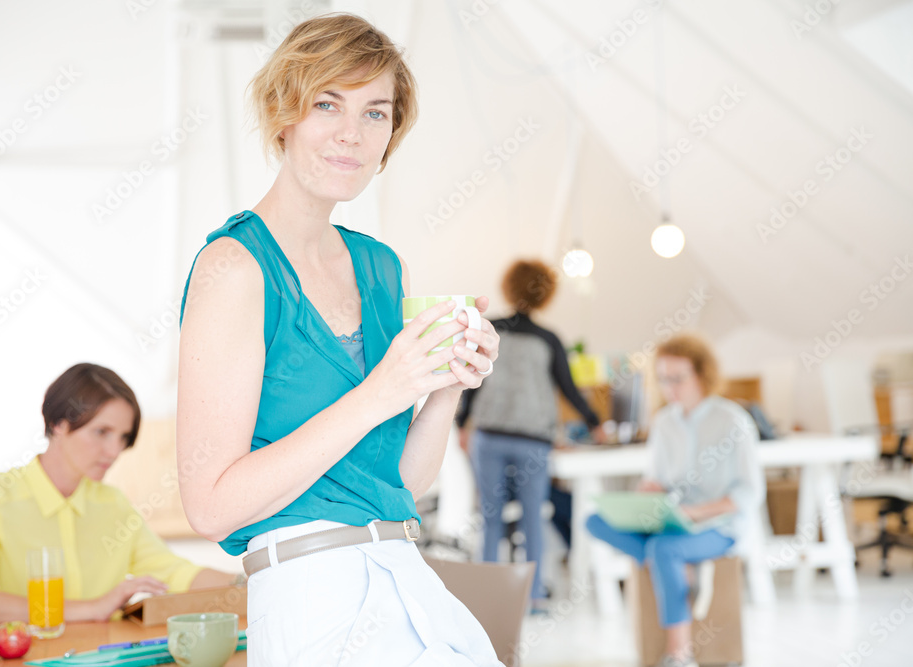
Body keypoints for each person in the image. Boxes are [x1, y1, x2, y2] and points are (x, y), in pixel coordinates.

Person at [175, 13, 503, 666]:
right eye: (328, 104)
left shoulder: (382, 267)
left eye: (376, 113)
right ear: (283, 114)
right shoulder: (234, 269)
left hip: (409, 575)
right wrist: (385, 390)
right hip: (311, 597)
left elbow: (402, 480)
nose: (352, 134)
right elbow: (209, 507)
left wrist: (446, 387)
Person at [0, 363, 237, 623]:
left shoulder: (113, 505)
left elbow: (176, 573)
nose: (115, 451)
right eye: (102, 432)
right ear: (58, 424)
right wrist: (93, 608)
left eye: (123, 437)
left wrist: (253, 582)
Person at [585, 334, 765, 667]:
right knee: (594, 521)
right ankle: (682, 573)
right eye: (664, 379)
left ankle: (679, 655)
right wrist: (650, 493)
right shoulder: (665, 422)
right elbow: (660, 480)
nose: (670, 387)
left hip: (720, 526)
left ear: (701, 375)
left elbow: (749, 494)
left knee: (663, 549)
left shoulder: (733, 421)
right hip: (673, 522)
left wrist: (696, 512)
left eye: (678, 378)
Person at [454, 259, 604, 609]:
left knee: (491, 517)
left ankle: (486, 600)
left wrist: (463, 425)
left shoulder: (491, 330)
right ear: (546, 294)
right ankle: (533, 598)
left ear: (508, 286)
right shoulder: (548, 340)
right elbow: (569, 388)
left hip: (489, 436)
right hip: (533, 440)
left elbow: (472, 383)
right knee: (533, 517)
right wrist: (594, 420)